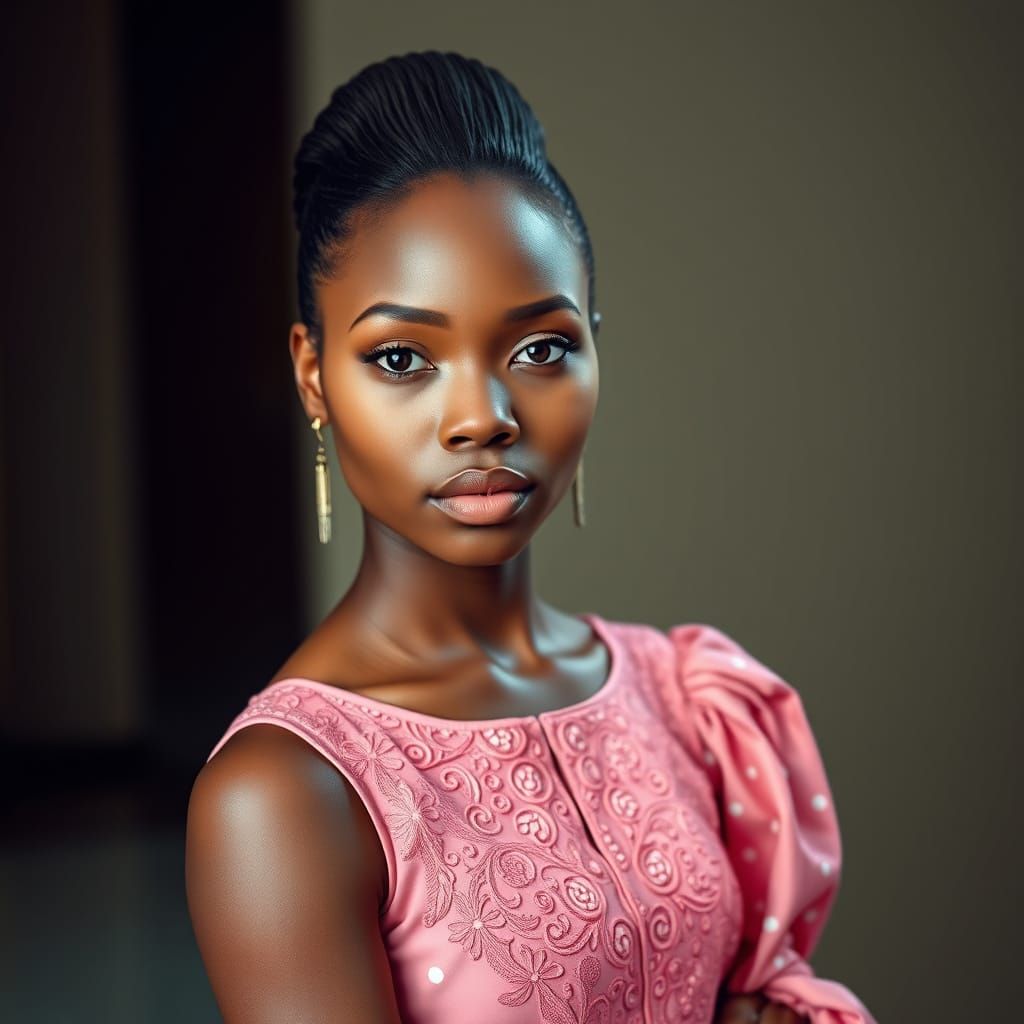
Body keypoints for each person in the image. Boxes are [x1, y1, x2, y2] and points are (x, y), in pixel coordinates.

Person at [185, 50, 877, 1024]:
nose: (482, 416)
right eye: (401, 357)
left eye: (539, 347)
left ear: (595, 345)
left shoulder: (682, 694)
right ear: (313, 375)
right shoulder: (287, 793)